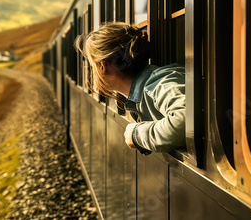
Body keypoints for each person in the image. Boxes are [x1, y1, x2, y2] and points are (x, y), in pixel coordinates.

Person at [75, 22, 186, 155]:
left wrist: (137, 134)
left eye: (93, 66)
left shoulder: (157, 85)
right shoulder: (145, 89)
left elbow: (185, 120)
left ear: (103, 67)